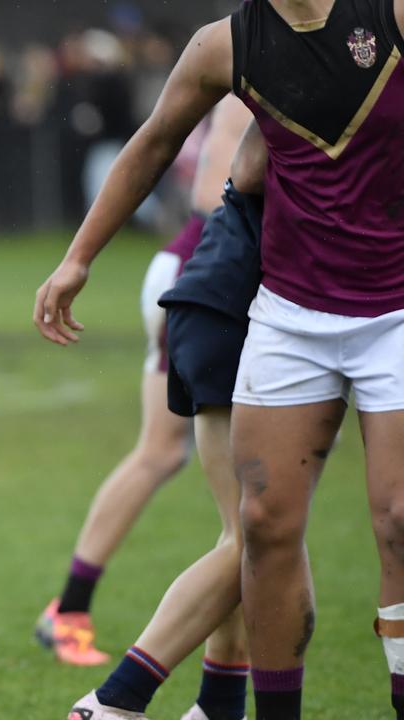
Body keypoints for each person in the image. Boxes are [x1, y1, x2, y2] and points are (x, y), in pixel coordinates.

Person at [35, 1, 404, 717]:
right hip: (288, 312)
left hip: (394, 309)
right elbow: (151, 145)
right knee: (262, 526)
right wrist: (78, 258)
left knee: (398, 519)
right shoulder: (222, 45)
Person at [36, 98, 251, 669]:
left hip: (193, 270)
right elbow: (217, 195)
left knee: (163, 457)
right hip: (208, 277)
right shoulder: (267, 59)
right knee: (246, 520)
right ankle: (207, 691)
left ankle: (70, 610)